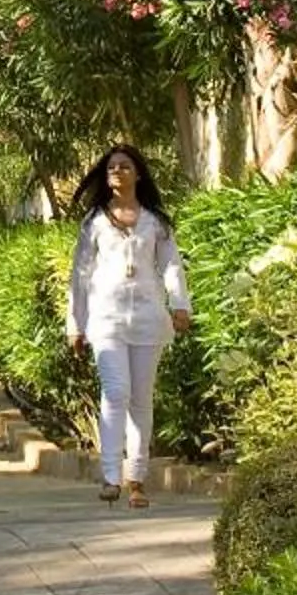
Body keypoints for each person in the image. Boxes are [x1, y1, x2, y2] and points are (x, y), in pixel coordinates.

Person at [65, 143, 192, 509]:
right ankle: (110, 477)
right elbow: (80, 275)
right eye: (111, 168)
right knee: (116, 391)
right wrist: (76, 324)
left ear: (138, 174)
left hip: (149, 319)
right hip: (106, 319)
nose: (117, 171)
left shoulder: (156, 222)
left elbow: (171, 266)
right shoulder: (95, 222)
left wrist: (179, 305)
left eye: (124, 166)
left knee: (140, 398)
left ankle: (136, 479)